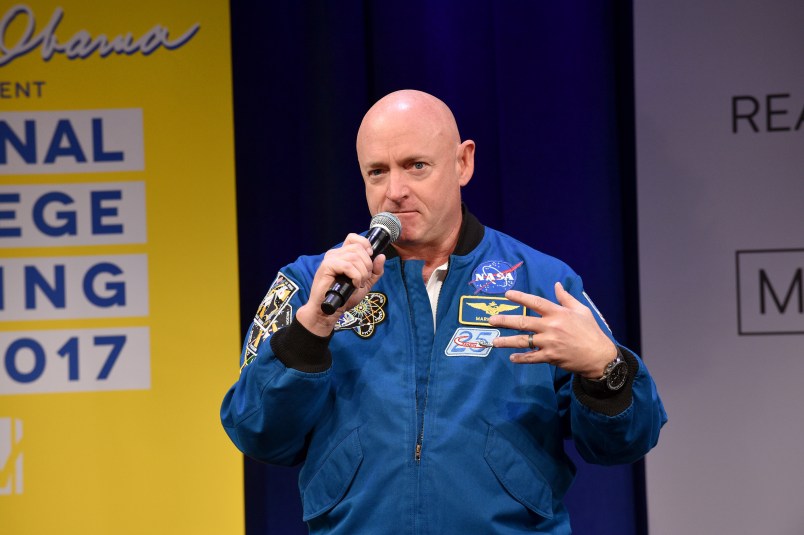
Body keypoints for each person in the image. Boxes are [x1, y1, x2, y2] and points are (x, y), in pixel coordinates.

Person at [220, 90, 667, 534]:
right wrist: (314, 325)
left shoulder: (542, 283)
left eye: (416, 166)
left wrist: (605, 369)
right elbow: (255, 432)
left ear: (463, 163)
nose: (395, 192)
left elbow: (626, 442)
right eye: (377, 172)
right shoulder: (309, 285)